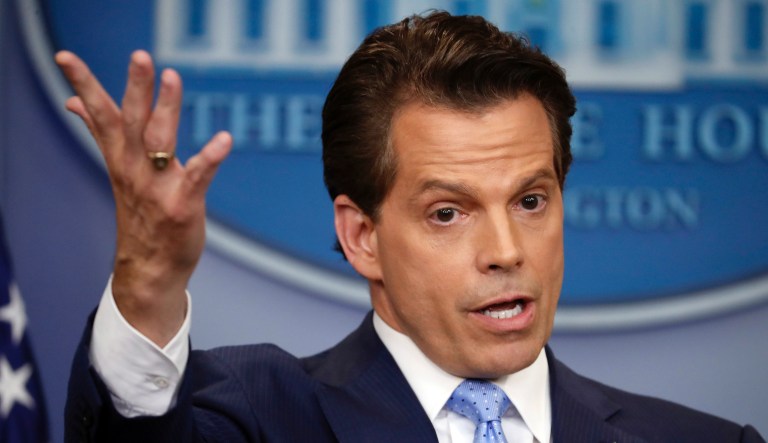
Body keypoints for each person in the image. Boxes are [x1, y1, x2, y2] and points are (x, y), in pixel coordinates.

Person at [57, 11, 763, 443]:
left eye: (530, 200)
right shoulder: (256, 416)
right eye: (448, 213)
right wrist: (148, 281)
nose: (507, 252)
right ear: (363, 236)